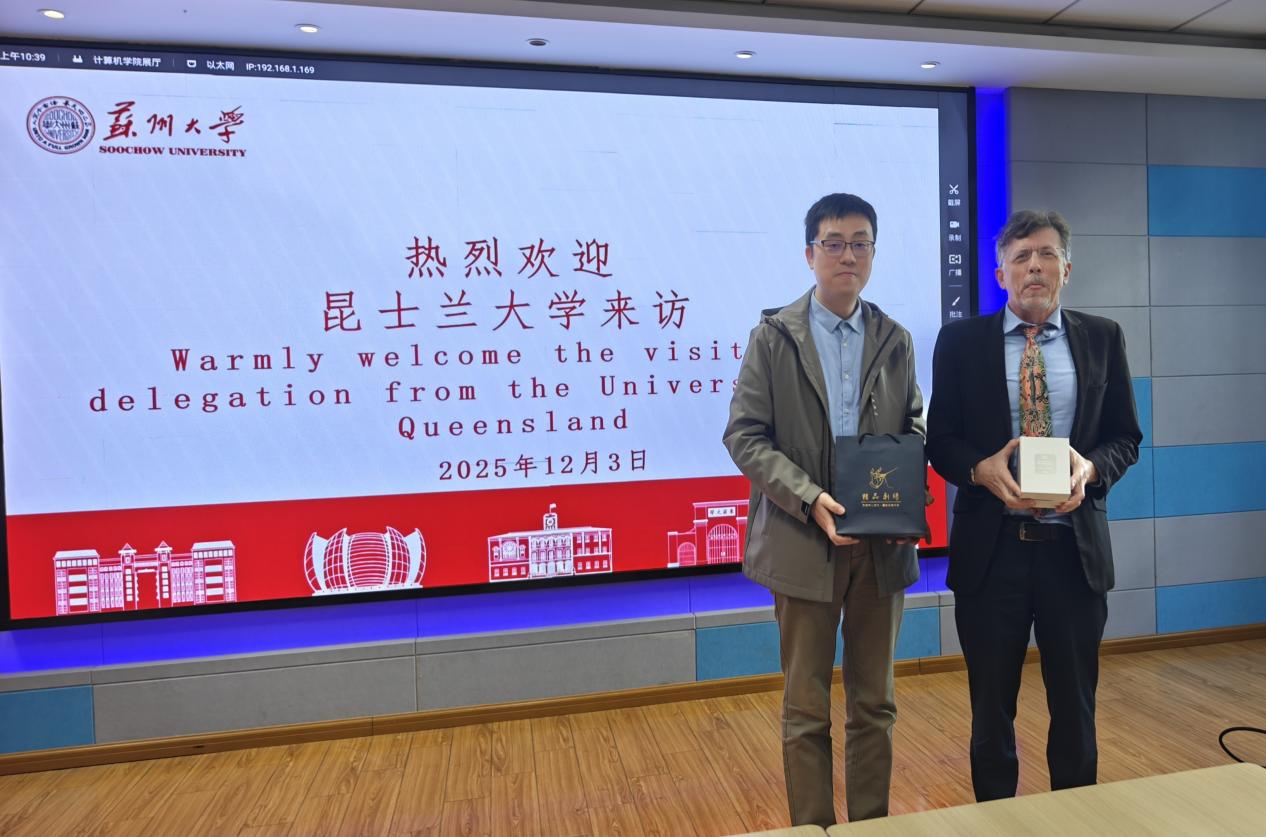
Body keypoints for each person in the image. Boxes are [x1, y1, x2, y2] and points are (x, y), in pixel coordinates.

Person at [926, 209, 1141, 802]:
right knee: (991, 712)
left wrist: (1089, 469)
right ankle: (997, 820)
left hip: (1073, 554)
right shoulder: (960, 343)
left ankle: (1074, 818)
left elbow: (1125, 437)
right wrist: (980, 469)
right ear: (1000, 274)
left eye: (1047, 255)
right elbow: (940, 440)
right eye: (1021, 257)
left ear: (1067, 269)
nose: (1035, 267)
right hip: (992, 553)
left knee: (1075, 708)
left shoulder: (1103, 337)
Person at [723, 193, 924, 825]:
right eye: (833, 243)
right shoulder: (773, 337)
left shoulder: (894, 338)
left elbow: (914, 427)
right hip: (800, 543)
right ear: (809, 254)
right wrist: (809, 499)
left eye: (860, 243)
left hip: (880, 549)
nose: (847, 256)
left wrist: (903, 498)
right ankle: (812, 828)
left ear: (874, 254)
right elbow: (744, 436)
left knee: (875, 706)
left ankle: (871, 827)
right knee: (805, 709)